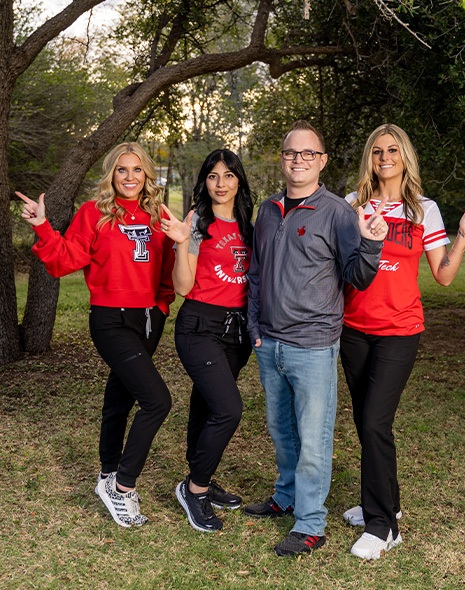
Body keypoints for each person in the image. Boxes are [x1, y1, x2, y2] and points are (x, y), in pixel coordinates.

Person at [340, 123, 465, 560]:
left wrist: (463, 233)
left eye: (392, 150)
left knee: (374, 421)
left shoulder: (422, 209)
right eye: (376, 151)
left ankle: (383, 526)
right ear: (369, 158)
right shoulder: (353, 204)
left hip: (400, 330)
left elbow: (442, 276)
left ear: (405, 156)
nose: (384, 157)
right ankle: (389, 501)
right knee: (367, 421)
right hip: (353, 328)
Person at [244, 120, 389, 557]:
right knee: (281, 429)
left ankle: (310, 523)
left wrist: (373, 244)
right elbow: (254, 275)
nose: (299, 160)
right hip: (269, 343)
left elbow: (358, 277)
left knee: (312, 438)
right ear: (282, 158)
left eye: (309, 154)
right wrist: (254, 329)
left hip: (313, 343)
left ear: (322, 161)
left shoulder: (338, 213)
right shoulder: (267, 210)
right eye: (291, 153)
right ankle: (285, 495)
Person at [16, 142, 176, 528]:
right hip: (111, 319)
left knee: (120, 396)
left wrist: (162, 305)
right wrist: (42, 226)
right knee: (157, 401)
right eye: (122, 170)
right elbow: (65, 259)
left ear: (147, 175)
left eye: (137, 170)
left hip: (149, 318)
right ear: (111, 174)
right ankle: (121, 488)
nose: (130, 177)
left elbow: (169, 265)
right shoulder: (95, 213)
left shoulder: (159, 215)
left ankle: (107, 472)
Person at [160, 149, 254, 533]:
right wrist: (183, 242)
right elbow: (183, 286)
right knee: (229, 409)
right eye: (213, 176)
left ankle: (202, 473)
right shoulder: (197, 221)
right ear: (204, 181)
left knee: (207, 402)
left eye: (228, 176)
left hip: (239, 331)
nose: (220, 184)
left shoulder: (251, 222)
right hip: (199, 325)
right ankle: (194, 489)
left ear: (239, 181)